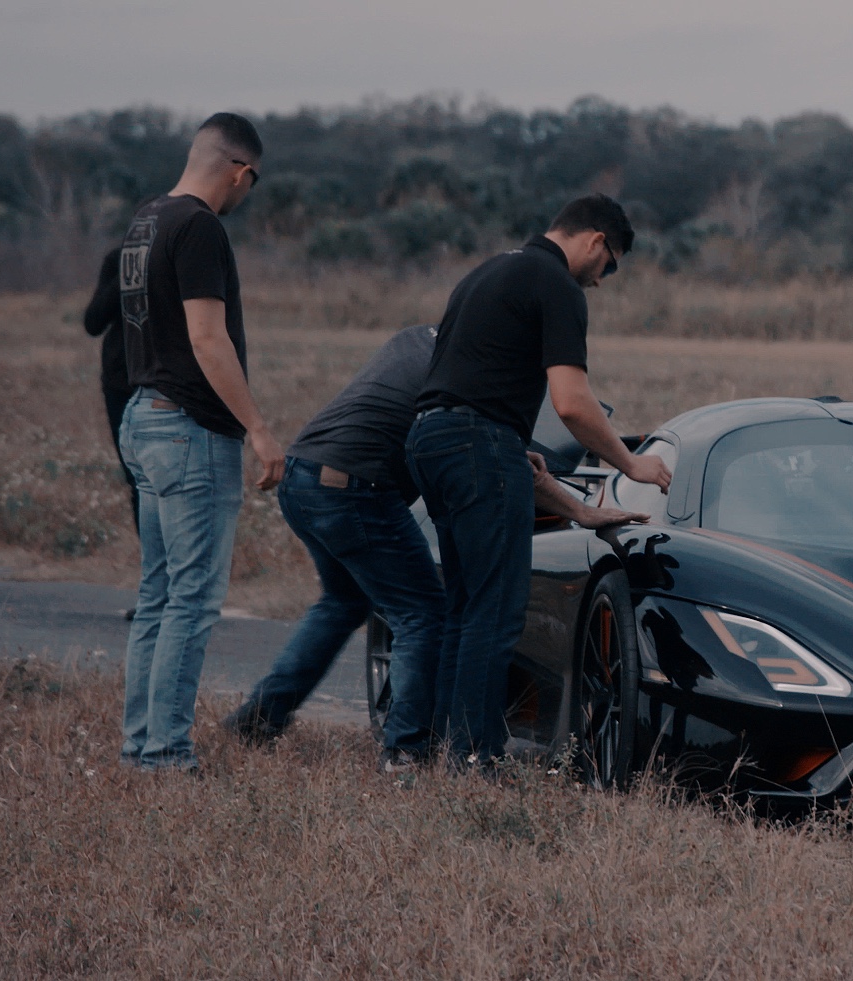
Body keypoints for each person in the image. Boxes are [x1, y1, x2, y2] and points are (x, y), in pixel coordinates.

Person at [220, 324, 647, 762]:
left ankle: (259, 719)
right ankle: (404, 752)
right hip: (355, 489)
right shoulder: (465, 374)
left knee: (343, 603)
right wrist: (580, 511)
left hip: (303, 476)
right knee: (422, 614)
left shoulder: (420, 340)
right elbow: (494, 456)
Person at [408, 193, 670, 771]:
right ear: (596, 240)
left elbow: (468, 377)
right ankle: (476, 759)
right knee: (497, 612)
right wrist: (633, 465)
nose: (603, 280)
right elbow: (572, 404)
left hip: (431, 439)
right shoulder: (556, 284)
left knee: (465, 608)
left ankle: (452, 756)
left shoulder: (489, 271)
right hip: (477, 444)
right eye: (611, 264)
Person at [116, 112, 284, 772]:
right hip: (189, 430)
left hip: (143, 416)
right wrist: (259, 428)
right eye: (253, 183)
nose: (247, 195)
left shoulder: (145, 219)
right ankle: (165, 754)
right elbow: (207, 338)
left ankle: (141, 746)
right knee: (191, 601)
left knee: (159, 595)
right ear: (240, 171)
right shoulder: (200, 227)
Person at [82, 247, 138, 536]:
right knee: (136, 480)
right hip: (120, 384)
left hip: (164, 383)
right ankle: (154, 567)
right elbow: (93, 322)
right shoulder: (118, 259)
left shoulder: (178, 255)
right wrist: (127, 272)